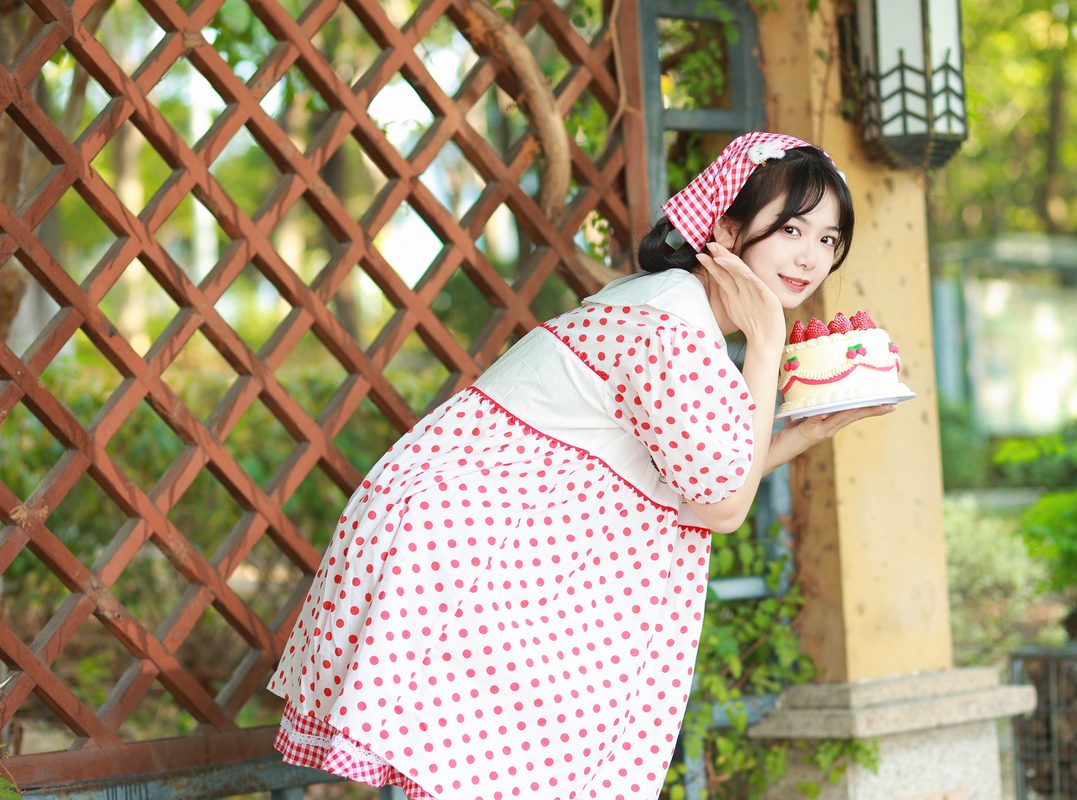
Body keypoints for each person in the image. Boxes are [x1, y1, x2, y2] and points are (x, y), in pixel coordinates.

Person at [268, 131, 894, 800]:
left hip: (487, 554)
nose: (810, 256)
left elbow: (695, 487)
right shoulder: (672, 326)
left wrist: (804, 431)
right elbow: (723, 508)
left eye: (828, 239)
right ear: (725, 227)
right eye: (792, 228)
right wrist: (767, 343)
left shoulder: (672, 307)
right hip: (466, 556)